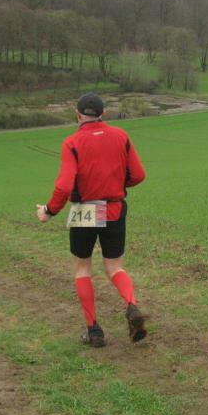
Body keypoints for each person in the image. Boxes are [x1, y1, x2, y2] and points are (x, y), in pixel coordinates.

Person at [35, 93, 147, 347]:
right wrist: (117, 184)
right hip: (114, 208)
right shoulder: (121, 136)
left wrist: (49, 211)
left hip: (85, 209)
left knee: (83, 268)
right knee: (115, 267)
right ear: (103, 114)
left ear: (77, 115)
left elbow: (64, 186)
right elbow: (138, 175)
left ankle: (93, 330)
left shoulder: (72, 142)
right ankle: (131, 305)